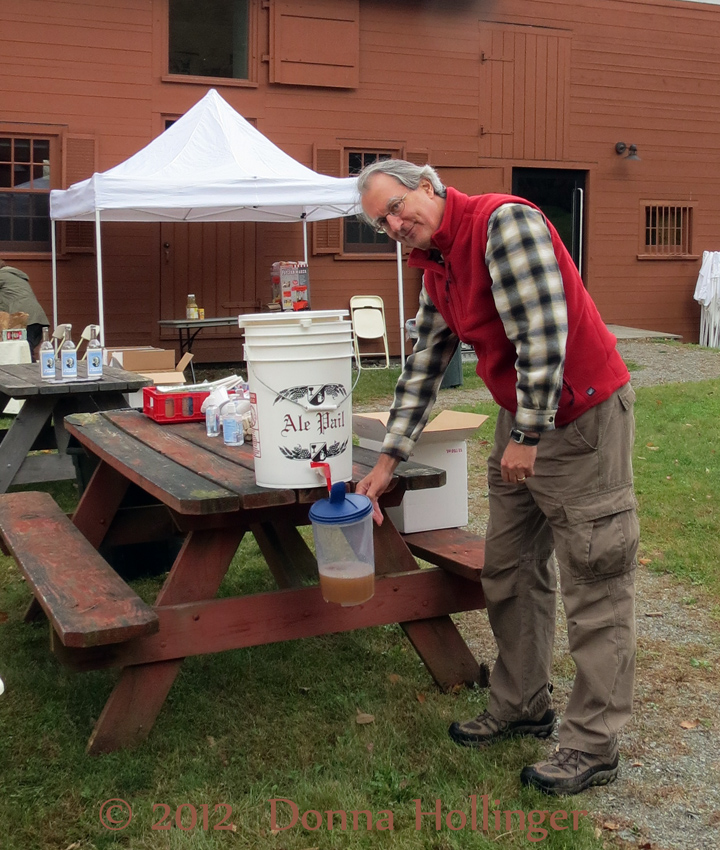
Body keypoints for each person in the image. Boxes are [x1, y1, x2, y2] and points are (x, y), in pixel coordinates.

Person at [355, 159, 638, 797]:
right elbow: (425, 361)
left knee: (596, 577)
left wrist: (529, 434)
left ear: (427, 184)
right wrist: (386, 462)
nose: (397, 224)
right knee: (509, 567)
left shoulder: (503, 224)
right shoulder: (436, 261)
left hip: (580, 413)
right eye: (383, 222)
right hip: (526, 419)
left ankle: (594, 744)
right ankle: (522, 703)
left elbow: (543, 332)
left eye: (399, 206)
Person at [0, 259, 51, 359]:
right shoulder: (14, 276)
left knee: (25, 350)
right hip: (36, 317)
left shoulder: (2, 276)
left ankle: (30, 373)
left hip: (25, 319)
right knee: (24, 349)